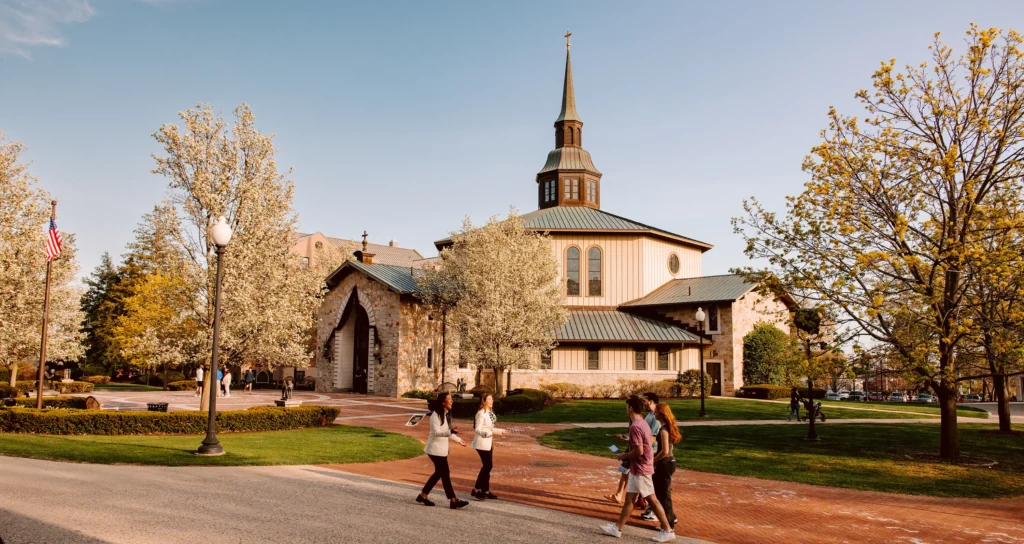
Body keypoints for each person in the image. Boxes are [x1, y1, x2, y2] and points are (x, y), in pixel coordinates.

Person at [601, 395, 675, 542]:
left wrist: (623, 455)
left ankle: (667, 530)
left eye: (626, 407)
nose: (626, 410)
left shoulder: (635, 426)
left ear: (630, 408)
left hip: (641, 467)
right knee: (630, 499)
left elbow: (639, 450)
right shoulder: (642, 423)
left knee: (652, 499)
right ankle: (617, 528)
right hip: (640, 467)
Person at [607, 392, 661, 508]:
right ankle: (620, 519)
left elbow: (650, 440)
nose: (643, 403)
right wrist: (627, 438)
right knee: (632, 492)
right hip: (640, 455)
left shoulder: (653, 419)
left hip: (646, 456)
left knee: (651, 495)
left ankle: (664, 521)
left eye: (644, 400)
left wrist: (625, 454)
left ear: (651, 401)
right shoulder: (647, 417)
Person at [417, 392, 469, 509]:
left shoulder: (445, 415)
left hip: (441, 450)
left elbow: (447, 432)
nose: (452, 401)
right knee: (444, 474)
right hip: (434, 449)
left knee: (440, 474)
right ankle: (453, 500)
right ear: (442, 402)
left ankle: (423, 495)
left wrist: (458, 440)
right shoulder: (435, 415)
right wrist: (450, 432)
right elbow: (436, 433)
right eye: (449, 399)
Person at [471, 393, 507, 500]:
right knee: (487, 465)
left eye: (492, 399)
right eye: (489, 399)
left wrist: (500, 431)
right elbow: (477, 429)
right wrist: (484, 434)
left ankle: (485, 490)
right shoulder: (481, 413)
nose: (491, 401)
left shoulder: (490, 413)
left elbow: (490, 428)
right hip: (481, 442)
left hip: (489, 443)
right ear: (484, 401)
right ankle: (476, 489)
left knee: (488, 466)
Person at [652, 403, 680, 531]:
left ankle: (669, 525)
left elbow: (664, 451)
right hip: (667, 462)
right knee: (661, 494)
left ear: (661, 413)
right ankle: (669, 519)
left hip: (665, 463)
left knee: (664, 495)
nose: (654, 413)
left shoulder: (663, 430)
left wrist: (652, 460)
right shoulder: (665, 427)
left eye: (656, 411)